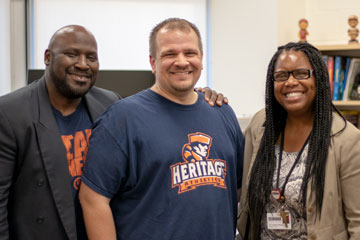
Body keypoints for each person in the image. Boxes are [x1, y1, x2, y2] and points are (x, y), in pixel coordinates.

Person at [0, 25, 224, 240]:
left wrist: (199, 95)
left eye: (91, 58)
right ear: (48, 57)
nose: (82, 64)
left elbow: (157, 106)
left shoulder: (109, 103)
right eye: (71, 54)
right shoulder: (11, 113)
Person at [79, 18, 244, 240]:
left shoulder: (222, 112)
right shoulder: (121, 119)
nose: (182, 61)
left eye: (190, 53)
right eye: (169, 54)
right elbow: (93, 199)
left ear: (201, 59)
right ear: (153, 62)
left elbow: (237, 188)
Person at [238, 42, 360, 239]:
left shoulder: (346, 139)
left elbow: (358, 222)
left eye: (301, 73)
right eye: (281, 76)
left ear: (318, 78)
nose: (291, 82)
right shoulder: (260, 126)